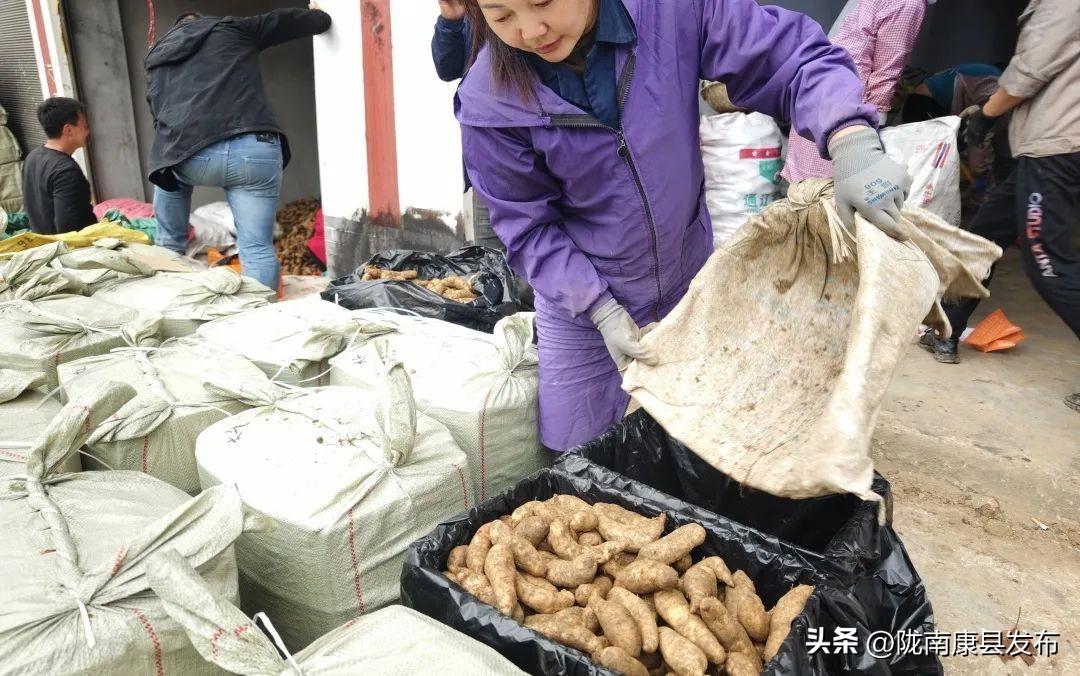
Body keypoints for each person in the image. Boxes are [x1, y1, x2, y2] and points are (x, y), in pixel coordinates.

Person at [458, 0, 913, 450]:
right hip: (581, 302)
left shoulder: (669, 11)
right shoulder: (489, 99)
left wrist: (850, 137)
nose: (532, 30)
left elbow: (790, 57)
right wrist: (598, 308)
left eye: (543, 1)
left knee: (706, 439)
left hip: (689, 281)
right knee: (574, 452)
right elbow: (527, 227)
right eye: (502, 16)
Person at [920, 0, 1080, 413]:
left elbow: (1029, 70)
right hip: (1040, 148)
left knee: (1049, 264)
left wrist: (986, 116)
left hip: (1056, 149)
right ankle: (948, 330)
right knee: (984, 236)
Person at [145, 4, 332, 290]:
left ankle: (171, 285)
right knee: (256, 246)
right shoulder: (231, 29)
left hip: (188, 156)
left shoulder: (157, 56)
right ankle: (263, 316)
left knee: (169, 232)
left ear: (176, 31)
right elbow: (287, 20)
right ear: (205, 21)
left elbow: (158, 115)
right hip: (254, 150)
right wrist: (319, 13)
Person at [781, 0, 931, 185]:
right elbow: (886, 70)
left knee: (805, 189)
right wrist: (876, 128)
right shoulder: (909, 3)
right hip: (847, 95)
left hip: (821, 80)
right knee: (833, 188)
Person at [21, 97, 96, 235]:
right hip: (71, 251)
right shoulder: (66, 172)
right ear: (68, 130)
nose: (88, 132)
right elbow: (70, 229)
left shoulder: (32, 157)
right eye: (84, 126)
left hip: (43, 244)